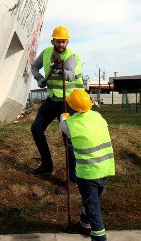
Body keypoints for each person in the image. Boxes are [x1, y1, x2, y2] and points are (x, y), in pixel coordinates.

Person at [59, 88, 115, 240]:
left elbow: (63, 126)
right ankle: (84, 224)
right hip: (106, 169)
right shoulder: (98, 116)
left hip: (88, 174)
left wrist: (63, 116)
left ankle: (99, 237)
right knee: (91, 201)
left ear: (72, 106)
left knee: (93, 209)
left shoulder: (70, 124)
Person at [30, 25, 84, 177]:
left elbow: (70, 76)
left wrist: (60, 69)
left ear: (67, 42)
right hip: (52, 100)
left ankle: (73, 177)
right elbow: (34, 66)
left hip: (67, 103)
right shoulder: (47, 53)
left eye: (64, 42)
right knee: (36, 129)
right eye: (58, 41)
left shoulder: (71, 56)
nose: (61, 44)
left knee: (68, 139)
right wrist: (39, 78)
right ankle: (47, 166)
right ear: (53, 41)